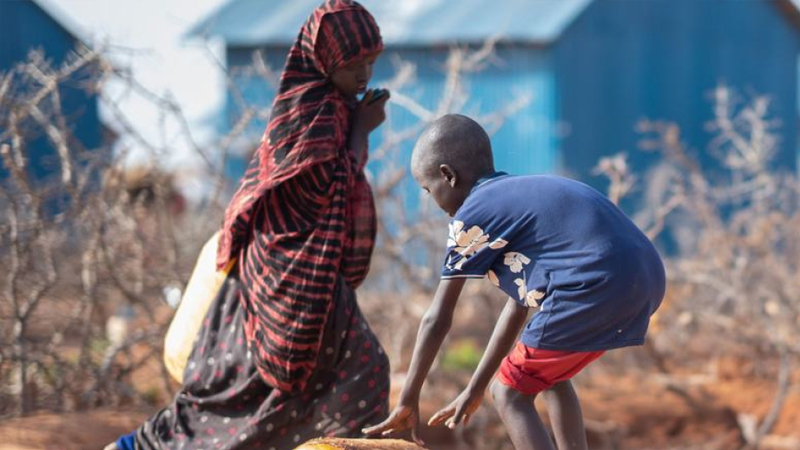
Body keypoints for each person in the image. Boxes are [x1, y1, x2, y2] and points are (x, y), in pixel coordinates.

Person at [107, 1, 391, 449]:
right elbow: (325, 192)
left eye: (371, 63)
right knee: (353, 378)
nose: (364, 75)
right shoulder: (313, 117)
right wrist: (361, 132)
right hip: (289, 278)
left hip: (293, 276)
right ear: (325, 60)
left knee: (248, 388)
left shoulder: (332, 106)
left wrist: (357, 125)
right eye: (354, 64)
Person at [364, 114, 665, 450]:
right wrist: (475, 387)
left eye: (427, 188)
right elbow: (517, 308)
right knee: (548, 377)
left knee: (508, 394)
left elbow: (437, 318)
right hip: (646, 278)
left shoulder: (474, 213)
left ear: (448, 176)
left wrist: (407, 399)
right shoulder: (517, 199)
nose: (431, 200)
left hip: (596, 284)